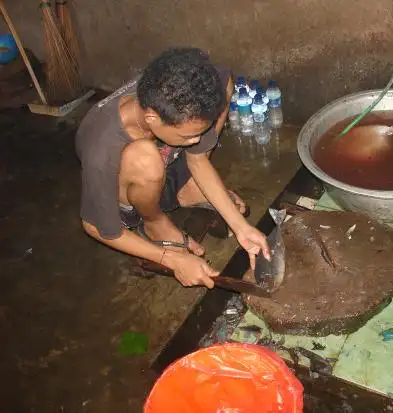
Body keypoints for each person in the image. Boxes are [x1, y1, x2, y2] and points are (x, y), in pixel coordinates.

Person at [76, 48, 270, 288]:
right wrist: (172, 260)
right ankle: (154, 222)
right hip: (131, 186)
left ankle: (186, 187)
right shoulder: (102, 147)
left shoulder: (182, 103)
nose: (197, 141)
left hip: (169, 162)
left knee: (225, 84)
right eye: (188, 136)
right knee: (145, 158)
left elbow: (197, 158)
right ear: (151, 119)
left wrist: (241, 228)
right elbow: (94, 226)